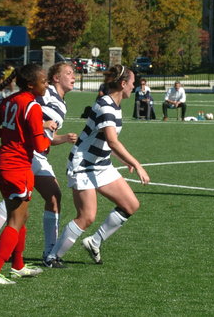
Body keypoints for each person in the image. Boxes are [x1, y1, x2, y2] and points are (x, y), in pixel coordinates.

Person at [44, 65, 150, 268]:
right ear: (123, 84)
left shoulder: (115, 105)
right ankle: (52, 257)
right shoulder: (105, 106)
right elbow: (112, 141)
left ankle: (95, 242)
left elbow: (105, 140)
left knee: (130, 205)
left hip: (101, 164)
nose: (134, 86)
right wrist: (136, 164)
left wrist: (123, 160)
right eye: (132, 82)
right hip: (83, 165)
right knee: (87, 217)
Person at [0, 62, 78, 263]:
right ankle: (45, 254)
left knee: (50, 197)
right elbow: (26, 112)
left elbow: (47, 136)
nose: (73, 76)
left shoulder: (61, 103)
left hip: (38, 153)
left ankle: (45, 252)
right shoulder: (45, 92)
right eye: (69, 73)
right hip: (26, 153)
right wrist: (39, 126)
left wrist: (63, 138)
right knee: (21, 200)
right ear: (55, 78)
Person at [0, 63, 51, 285]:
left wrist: (13, 135)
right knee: (16, 219)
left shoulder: (9, 100)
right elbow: (40, 145)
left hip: (1, 162)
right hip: (16, 166)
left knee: (21, 216)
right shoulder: (32, 106)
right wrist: (47, 133)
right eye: (44, 81)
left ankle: (18, 266)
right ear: (31, 84)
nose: (47, 84)